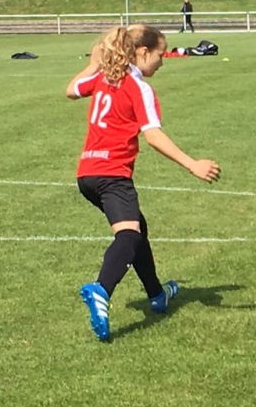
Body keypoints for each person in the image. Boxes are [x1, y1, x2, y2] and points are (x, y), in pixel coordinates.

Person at [66, 24, 221, 341]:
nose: (162, 62)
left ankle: (157, 294)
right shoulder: (138, 87)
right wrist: (192, 164)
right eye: (160, 55)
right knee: (129, 236)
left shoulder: (104, 77)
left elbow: (72, 90)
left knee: (139, 229)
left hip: (87, 173)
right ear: (143, 52)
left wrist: (93, 64)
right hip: (112, 173)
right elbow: (153, 136)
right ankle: (101, 289)